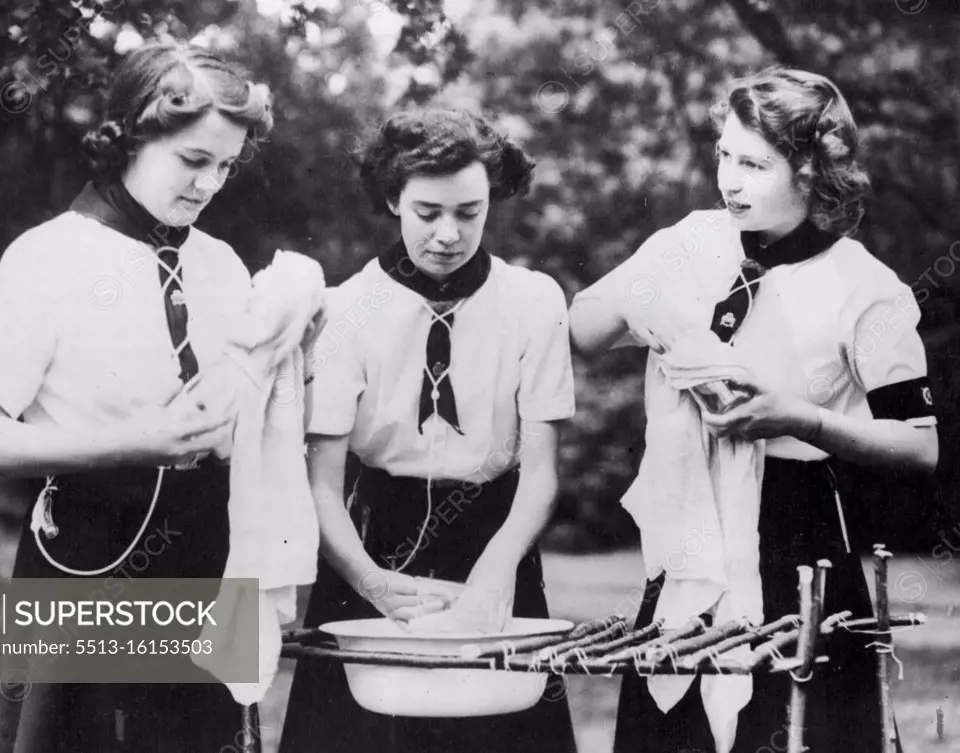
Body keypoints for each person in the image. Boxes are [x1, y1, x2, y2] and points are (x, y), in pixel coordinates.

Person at [570, 66, 938, 753]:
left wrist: (799, 417)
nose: (728, 180)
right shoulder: (690, 242)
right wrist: (642, 307)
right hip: (687, 539)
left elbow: (920, 445)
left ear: (811, 170)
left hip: (796, 542)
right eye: (724, 157)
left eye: (753, 164)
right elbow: (583, 328)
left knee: (789, 726)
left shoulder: (866, 289)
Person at [0, 42, 280, 752]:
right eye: (193, 161)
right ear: (130, 134)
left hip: (206, 559)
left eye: (225, 166)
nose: (209, 185)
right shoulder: (48, 256)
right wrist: (131, 442)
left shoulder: (221, 264)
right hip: (85, 561)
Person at [277, 108, 579, 753]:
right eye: (427, 212)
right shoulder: (343, 309)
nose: (448, 234)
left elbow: (542, 469)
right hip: (368, 539)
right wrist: (373, 585)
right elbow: (323, 486)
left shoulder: (534, 302)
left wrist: (498, 572)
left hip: (496, 533)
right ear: (393, 199)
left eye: (469, 213)